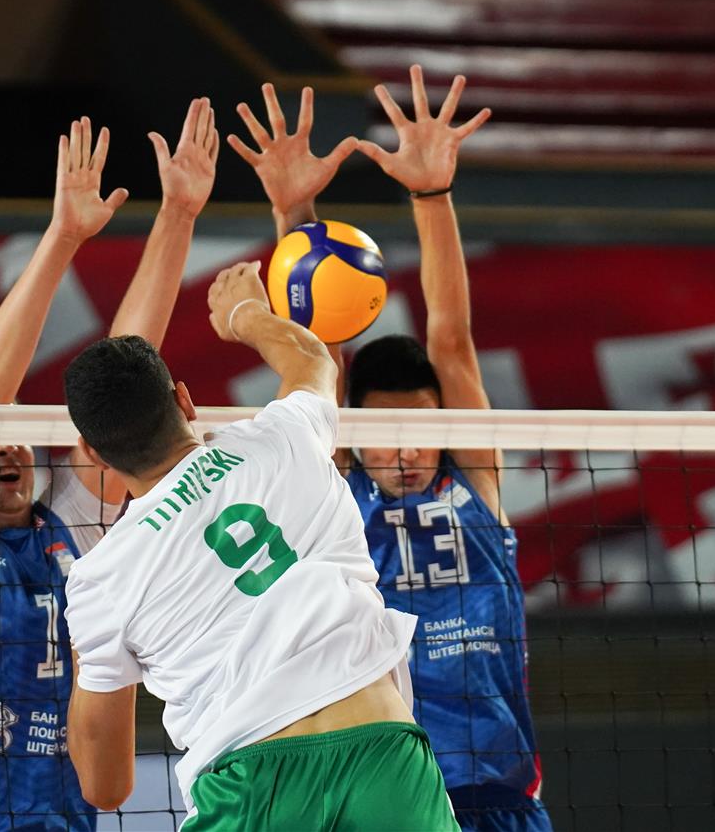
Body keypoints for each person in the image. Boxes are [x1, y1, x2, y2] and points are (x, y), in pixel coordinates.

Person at [0, 100, 219, 831]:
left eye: (17, 435)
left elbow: (127, 376)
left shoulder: (69, 521)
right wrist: (64, 235)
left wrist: (178, 215)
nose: (8, 447)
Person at [230, 67, 551, 831]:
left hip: (500, 795)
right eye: (385, 433)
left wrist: (432, 194)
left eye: (420, 430)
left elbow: (452, 338)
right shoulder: (342, 490)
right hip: (390, 793)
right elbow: (315, 354)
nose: (405, 451)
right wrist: (295, 214)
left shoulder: (475, 478)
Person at [61, 262, 460, 831]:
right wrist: (245, 315)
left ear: (93, 453)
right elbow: (314, 362)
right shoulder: (285, 438)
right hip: (383, 750)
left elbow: (105, 787)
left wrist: (88, 635)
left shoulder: (100, 579)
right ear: (185, 401)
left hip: (251, 785)